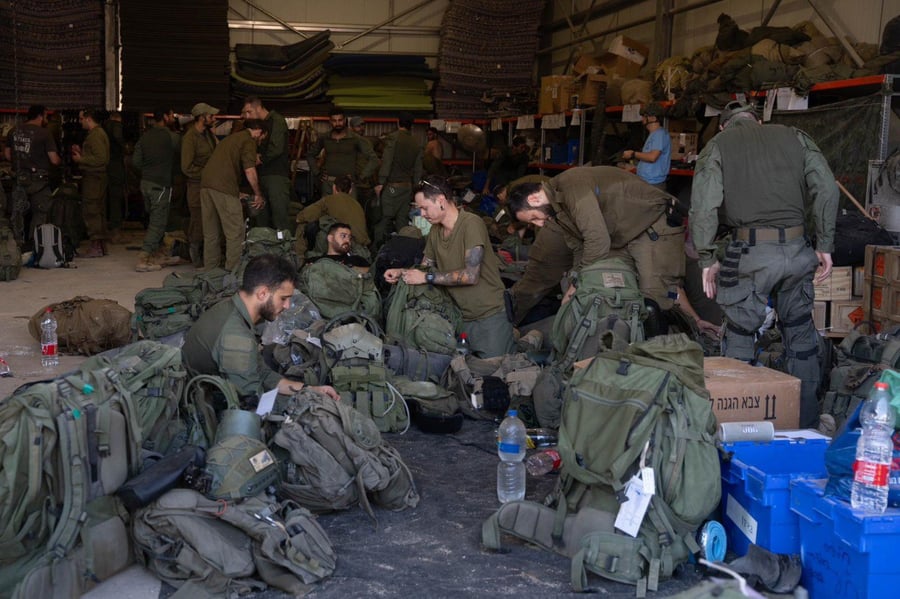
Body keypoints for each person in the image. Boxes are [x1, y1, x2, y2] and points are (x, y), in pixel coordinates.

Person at [689, 100, 838, 429]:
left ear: (726, 125)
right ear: (758, 121)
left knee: (741, 334)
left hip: (750, 254)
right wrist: (825, 244)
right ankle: (805, 423)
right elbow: (827, 187)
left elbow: (704, 206)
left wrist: (707, 258)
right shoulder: (794, 135)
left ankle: (736, 424)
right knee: (800, 335)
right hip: (799, 250)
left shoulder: (718, 144)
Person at [507, 166, 684, 313]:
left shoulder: (572, 185)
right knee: (614, 294)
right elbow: (579, 248)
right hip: (622, 234)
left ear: (534, 198)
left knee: (653, 301)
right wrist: (574, 285)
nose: (538, 224)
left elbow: (598, 241)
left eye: (533, 217)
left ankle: (661, 349)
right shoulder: (558, 210)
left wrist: (577, 284)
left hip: (652, 223)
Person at [182, 253, 340, 404]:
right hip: (205, 404)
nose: (287, 306)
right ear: (262, 293)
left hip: (213, 389)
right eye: (283, 298)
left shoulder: (232, 307)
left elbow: (262, 373)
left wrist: (309, 390)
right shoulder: (237, 338)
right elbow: (251, 402)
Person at [384, 175, 514, 358]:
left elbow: (471, 276)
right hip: (460, 318)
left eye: (424, 208)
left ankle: (528, 339)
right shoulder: (436, 232)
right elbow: (425, 268)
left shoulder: (471, 224)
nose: (422, 214)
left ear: (441, 201)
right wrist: (403, 273)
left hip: (489, 317)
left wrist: (426, 277)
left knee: (498, 372)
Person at [199, 118, 268, 271]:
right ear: (259, 132)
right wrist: (258, 194)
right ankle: (233, 273)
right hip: (223, 187)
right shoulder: (249, 140)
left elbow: (224, 166)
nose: (261, 140)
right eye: (263, 137)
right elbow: (250, 170)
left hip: (206, 186)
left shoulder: (231, 139)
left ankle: (210, 272)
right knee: (236, 232)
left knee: (211, 233)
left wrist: (235, 192)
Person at [132, 108, 181, 272]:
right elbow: (184, 154)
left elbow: (136, 162)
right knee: (157, 222)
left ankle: (160, 253)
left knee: (155, 218)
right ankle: (144, 257)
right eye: (172, 115)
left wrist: (148, 171)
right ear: (165, 117)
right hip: (160, 185)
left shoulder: (144, 137)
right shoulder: (171, 137)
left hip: (145, 183)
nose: (173, 118)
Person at [4, 104, 61, 239]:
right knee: (41, 212)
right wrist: (60, 161)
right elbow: (54, 160)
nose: (46, 119)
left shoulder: (13, 131)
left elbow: (7, 155)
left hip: (19, 178)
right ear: (40, 116)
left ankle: (15, 246)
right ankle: (34, 245)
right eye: (46, 116)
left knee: (18, 213)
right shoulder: (44, 133)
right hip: (39, 181)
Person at [241, 96, 292, 231]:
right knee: (261, 219)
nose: (247, 116)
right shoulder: (260, 125)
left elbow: (276, 147)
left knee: (279, 218)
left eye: (249, 112)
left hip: (276, 175)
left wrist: (260, 158)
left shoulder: (277, 121)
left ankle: (283, 249)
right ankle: (263, 249)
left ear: (258, 108)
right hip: (261, 176)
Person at [307, 107, 378, 198]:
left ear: (345, 120)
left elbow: (374, 159)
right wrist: (317, 172)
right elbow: (310, 155)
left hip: (348, 185)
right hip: (329, 184)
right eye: (334, 121)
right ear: (330, 121)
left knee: (349, 211)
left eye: (340, 120)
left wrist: (361, 176)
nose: (337, 123)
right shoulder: (324, 138)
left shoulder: (355, 138)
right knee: (327, 211)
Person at [374, 112, 423, 245]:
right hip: (407, 188)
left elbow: (387, 161)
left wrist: (381, 182)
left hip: (391, 188)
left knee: (383, 220)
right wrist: (415, 188)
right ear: (411, 126)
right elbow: (418, 169)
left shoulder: (393, 138)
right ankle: (404, 250)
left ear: (398, 122)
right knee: (402, 222)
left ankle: (375, 252)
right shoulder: (416, 143)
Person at [182, 102, 220, 267]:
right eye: (211, 116)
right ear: (202, 117)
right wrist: (207, 173)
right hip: (197, 186)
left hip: (209, 185)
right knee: (198, 222)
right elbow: (186, 167)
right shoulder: (190, 138)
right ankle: (195, 255)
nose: (214, 118)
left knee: (210, 221)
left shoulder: (208, 135)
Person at [294, 174, 369, 257]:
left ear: (334, 187)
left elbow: (303, 216)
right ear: (350, 190)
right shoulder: (358, 205)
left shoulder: (329, 200)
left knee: (303, 225)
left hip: (345, 246)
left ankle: (299, 258)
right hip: (362, 249)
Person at [72, 108, 110, 258]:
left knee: (91, 210)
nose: (80, 122)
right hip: (96, 177)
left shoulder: (95, 135)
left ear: (88, 118)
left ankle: (96, 246)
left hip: (94, 178)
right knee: (97, 210)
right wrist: (82, 153)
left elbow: (101, 159)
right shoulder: (97, 134)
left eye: (81, 119)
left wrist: (80, 159)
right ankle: (100, 245)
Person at [622, 102, 671, 191]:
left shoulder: (659, 134)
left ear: (653, 118)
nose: (642, 119)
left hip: (653, 184)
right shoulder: (653, 135)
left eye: (644, 116)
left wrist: (633, 154)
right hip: (647, 182)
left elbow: (652, 157)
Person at [103, 111, 127, 243]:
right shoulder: (116, 126)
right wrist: (124, 147)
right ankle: (115, 232)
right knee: (115, 198)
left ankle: (106, 229)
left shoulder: (102, 129)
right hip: (115, 167)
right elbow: (118, 138)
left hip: (105, 167)